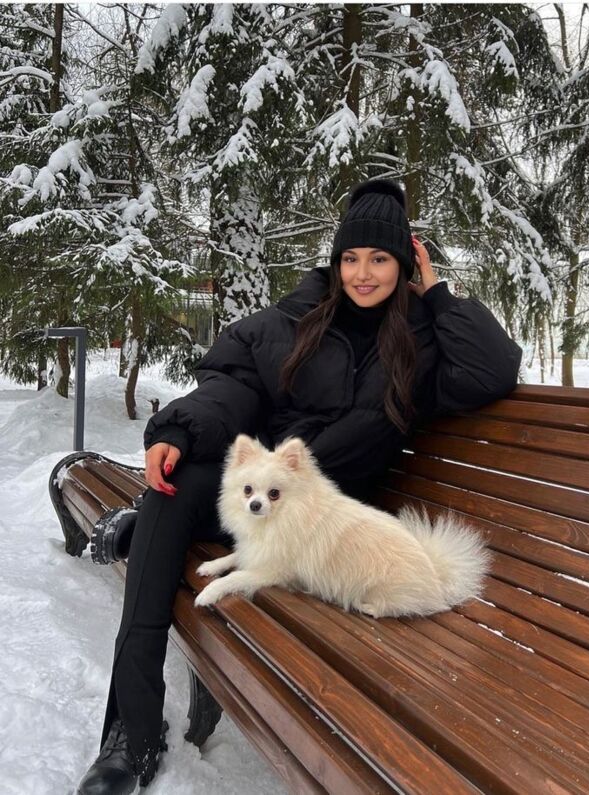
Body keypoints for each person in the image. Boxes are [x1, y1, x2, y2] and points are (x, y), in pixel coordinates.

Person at [76, 178, 522, 794]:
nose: (362, 273)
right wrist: (179, 428)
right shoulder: (296, 317)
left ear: (406, 264)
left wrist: (438, 293)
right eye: (350, 258)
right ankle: (133, 731)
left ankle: (143, 525)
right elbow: (233, 382)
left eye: (380, 258)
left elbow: (492, 371)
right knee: (172, 491)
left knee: (161, 520)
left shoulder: (420, 343)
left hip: (321, 520)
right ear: (335, 261)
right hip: (260, 502)